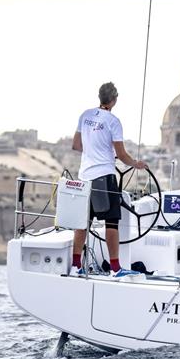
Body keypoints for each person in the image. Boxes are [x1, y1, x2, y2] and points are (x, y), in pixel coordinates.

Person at [70, 82, 148, 278]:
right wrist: (136, 164)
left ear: (100, 97)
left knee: (82, 222)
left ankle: (75, 265)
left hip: (84, 176)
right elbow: (121, 155)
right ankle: (115, 268)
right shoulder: (113, 121)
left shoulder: (85, 115)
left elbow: (76, 145)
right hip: (104, 176)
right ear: (114, 100)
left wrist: (94, 151)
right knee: (111, 223)